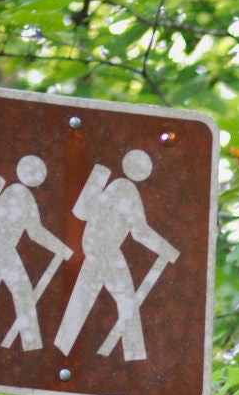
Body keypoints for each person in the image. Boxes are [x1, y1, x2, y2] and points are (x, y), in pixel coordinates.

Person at [57, 149, 179, 362]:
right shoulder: (126, 190)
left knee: (82, 302)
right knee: (128, 304)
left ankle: (59, 352)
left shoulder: (114, 187)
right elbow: (139, 231)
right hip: (106, 252)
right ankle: (134, 360)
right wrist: (166, 249)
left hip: (95, 250)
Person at [0, 155, 71, 349]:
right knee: (23, 293)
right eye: (36, 172)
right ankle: (32, 345)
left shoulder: (16, 192)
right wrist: (61, 248)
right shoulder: (20, 194)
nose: (39, 176)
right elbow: (35, 232)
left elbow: (34, 231)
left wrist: (60, 248)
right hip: (1, 248)